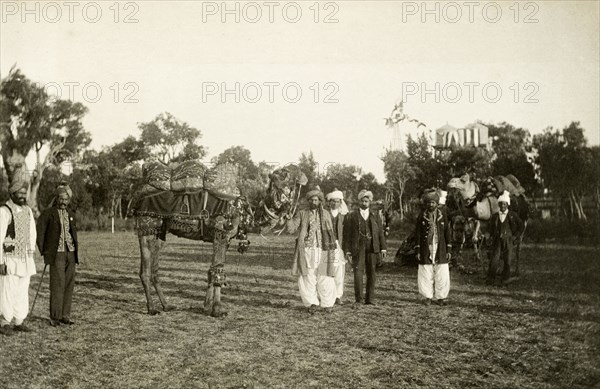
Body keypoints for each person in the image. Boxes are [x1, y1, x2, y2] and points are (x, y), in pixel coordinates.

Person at [37, 183, 80, 326]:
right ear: (56, 198)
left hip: (71, 253)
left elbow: (73, 234)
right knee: (57, 285)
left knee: (68, 284)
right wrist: (45, 253)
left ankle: (65, 315)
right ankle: (55, 316)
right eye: (61, 199)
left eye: (66, 199)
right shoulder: (48, 213)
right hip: (56, 254)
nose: (64, 202)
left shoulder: (71, 214)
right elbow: (40, 234)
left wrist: (74, 251)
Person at [0, 174, 37, 335]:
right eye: (19, 193)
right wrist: (0, 261)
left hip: (25, 259)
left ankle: (19, 320)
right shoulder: (4, 211)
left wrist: (31, 254)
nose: (22, 196)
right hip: (9, 258)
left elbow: (32, 233)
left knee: (22, 289)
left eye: (24, 193)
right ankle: (4, 322)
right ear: (12, 194)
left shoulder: (28, 211)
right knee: (8, 289)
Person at [291, 188, 337, 314]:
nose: (314, 202)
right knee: (308, 276)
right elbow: (292, 228)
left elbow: (330, 232)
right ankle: (311, 303)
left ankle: (327, 304)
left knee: (325, 276)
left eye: (316, 200)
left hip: (323, 248)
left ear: (320, 201)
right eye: (311, 200)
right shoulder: (302, 213)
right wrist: (288, 218)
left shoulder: (326, 214)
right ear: (308, 201)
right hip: (307, 249)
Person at [343, 190, 387, 305]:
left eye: (366, 201)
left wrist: (383, 248)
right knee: (358, 273)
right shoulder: (352, 215)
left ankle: (370, 299)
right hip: (357, 247)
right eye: (362, 201)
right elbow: (347, 234)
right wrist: (347, 251)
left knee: (372, 273)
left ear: (370, 202)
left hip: (372, 247)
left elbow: (380, 233)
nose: (364, 203)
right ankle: (359, 299)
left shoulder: (375, 215)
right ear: (359, 201)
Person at [415, 189, 452, 306]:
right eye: (429, 203)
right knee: (425, 272)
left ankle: (441, 298)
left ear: (437, 204)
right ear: (426, 204)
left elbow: (447, 233)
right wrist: (418, 250)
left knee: (442, 273)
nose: (431, 205)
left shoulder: (442, 216)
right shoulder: (422, 216)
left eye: (433, 203)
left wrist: (449, 249)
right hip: (426, 248)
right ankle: (427, 297)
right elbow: (418, 234)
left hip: (440, 247)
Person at [486, 191, 524, 286]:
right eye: (501, 204)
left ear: (507, 204)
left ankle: (505, 279)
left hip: (508, 240)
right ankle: (491, 278)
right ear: (498, 204)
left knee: (507, 260)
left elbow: (521, 226)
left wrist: (516, 236)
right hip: (497, 240)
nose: (502, 206)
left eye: (504, 204)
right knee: (494, 259)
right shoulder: (495, 216)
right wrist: (486, 236)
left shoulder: (512, 215)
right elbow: (490, 228)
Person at [325, 189, 348, 305]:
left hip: (339, 245)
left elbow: (347, 233)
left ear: (340, 203)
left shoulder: (344, 216)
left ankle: (338, 295)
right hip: (326, 245)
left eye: (337, 202)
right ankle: (328, 294)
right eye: (333, 201)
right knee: (327, 270)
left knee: (339, 271)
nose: (335, 204)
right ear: (329, 202)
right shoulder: (324, 214)